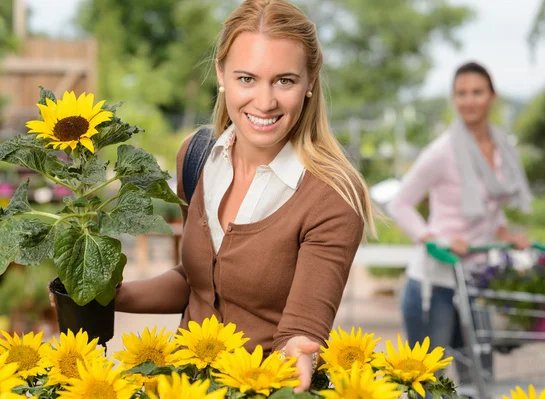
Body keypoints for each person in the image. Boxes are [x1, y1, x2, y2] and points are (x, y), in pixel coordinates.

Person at [47, 0, 376, 393]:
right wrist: (102, 297)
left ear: (310, 82)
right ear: (222, 74)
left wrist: (301, 350)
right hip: (181, 385)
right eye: (247, 78)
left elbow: (302, 328)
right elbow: (198, 282)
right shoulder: (198, 157)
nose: (265, 101)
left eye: (284, 80)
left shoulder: (332, 194)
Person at [386, 61, 532, 383]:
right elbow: (400, 204)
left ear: (492, 97)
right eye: (461, 93)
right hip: (434, 283)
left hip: (476, 282)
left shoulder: (503, 148)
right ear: (454, 99)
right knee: (428, 382)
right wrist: (435, 238)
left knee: (478, 379)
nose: (469, 100)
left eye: (477, 92)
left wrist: (505, 231)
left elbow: (489, 209)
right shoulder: (442, 151)